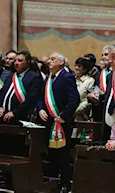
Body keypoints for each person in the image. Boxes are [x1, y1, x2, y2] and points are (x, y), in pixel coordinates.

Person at [37, 52, 79, 193]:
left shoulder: (67, 77)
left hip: (62, 122)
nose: (49, 61)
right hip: (48, 121)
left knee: (63, 154)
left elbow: (74, 100)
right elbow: (40, 97)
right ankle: (52, 180)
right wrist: (40, 109)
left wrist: (64, 115)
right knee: (50, 152)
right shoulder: (48, 78)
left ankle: (65, 183)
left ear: (61, 62)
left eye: (52, 59)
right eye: (48, 58)